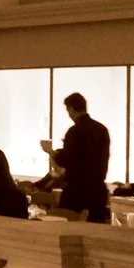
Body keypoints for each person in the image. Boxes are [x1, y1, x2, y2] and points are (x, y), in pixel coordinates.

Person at [43, 92, 112, 223]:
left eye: (68, 109)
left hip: (77, 190)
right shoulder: (102, 129)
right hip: (98, 190)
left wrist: (50, 151)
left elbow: (66, 160)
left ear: (72, 108)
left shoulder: (74, 131)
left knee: (63, 224)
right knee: (96, 230)